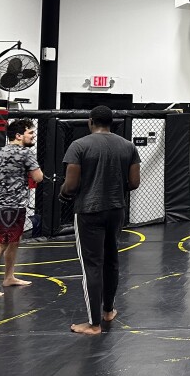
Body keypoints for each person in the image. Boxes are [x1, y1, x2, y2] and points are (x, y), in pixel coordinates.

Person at [59, 106, 140, 335]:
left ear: (91, 121)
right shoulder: (128, 146)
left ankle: (94, 324)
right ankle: (108, 311)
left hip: (89, 211)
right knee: (111, 260)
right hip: (116, 210)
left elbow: (72, 185)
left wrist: (63, 193)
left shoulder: (79, 145)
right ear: (111, 122)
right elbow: (134, 183)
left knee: (92, 266)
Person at [0, 119, 44, 297]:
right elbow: (38, 177)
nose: (33, 136)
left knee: (14, 241)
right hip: (11, 207)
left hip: (5, 206)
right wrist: (18, 172)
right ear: (18, 135)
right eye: (30, 133)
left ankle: (9, 277)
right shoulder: (25, 153)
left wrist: (3, 173)